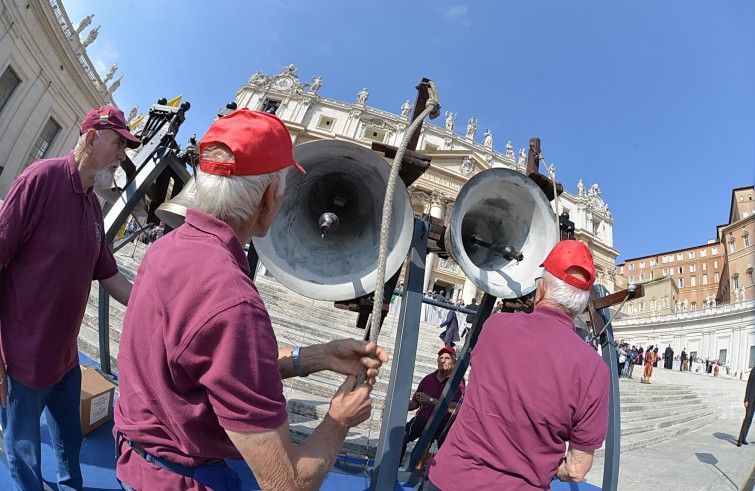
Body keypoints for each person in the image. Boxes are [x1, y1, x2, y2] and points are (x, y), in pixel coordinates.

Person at [113, 109, 388, 491]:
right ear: (271, 196)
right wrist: (338, 421)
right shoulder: (233, 300)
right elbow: (286, 483)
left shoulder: (167, 248)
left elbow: (211, 363)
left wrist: (318, 356)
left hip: (135, 463)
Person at [0, 105, 138, 490]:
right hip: (23, 360)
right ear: (92, 138)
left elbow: (108, 273)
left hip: (66, 360)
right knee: (24, 450)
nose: (122, 155)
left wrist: (161, 300)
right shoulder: (40, 179)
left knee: (69, 439)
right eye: (118, 144)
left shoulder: (93, 204)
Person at [426, 240, 610, 489]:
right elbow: (576, 470)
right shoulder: (595, 369)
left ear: (541, 289)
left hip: (451, 479)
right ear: (582, 305)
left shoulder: (494, 327)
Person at [401, 346, 465, 462]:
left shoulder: (458, 382)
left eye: (447, 358)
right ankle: (392, 468)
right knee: (401, 436)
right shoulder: (428, 379)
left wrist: (430, 400)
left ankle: (443, 478)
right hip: (423, 419)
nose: (442, 361)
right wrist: (400, 406)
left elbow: (455, 408)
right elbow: (415, 403)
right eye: (440, 358)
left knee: (450, 450)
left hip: (444, 424)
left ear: (454, 363)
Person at [737, 369, 755, 447]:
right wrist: (746, 399)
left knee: (750, 420)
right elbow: (749, 384)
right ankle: (740, 440)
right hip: (751, 398)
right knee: (747, 418)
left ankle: (744, 438)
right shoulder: (754, 370)